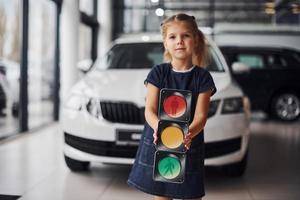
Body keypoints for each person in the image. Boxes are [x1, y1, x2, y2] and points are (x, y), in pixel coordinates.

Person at [127, 13, 216, 200]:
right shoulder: (158, 73)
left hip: (188, 143)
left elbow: (201, 117)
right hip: (159, 142)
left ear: (196, 40)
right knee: (161, 195)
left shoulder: (203, 77)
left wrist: (187, 133)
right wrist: (160, 128)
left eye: (186, 36)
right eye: (173, 37)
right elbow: (149, 110)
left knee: (191, 195)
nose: (179, 41)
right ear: (165, 43)